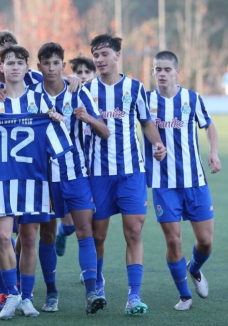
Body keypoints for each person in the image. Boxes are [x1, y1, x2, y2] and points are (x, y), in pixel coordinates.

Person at [0, 44, 65, 320]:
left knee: (29, 238)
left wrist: (58, 119)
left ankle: (27, 297)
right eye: (8, 62)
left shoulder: (41, 100)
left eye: (19, 63)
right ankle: (11, 292)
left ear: (26, 68)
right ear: (0, 66)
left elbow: (60, 136)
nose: (14, 67)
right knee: (1, 236)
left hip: (32, 180)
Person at [83, 33, 166, 315]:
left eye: (104, 53)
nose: (99, 59)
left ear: (118, 55)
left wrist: (157, 143)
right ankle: (98, 284)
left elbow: (146, 121)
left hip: (132, 173)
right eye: (95, 55)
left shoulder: (135, 88)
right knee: (98, 236)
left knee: (134, 231)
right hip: (99, 174)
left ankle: (133, 296)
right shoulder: (86, 90)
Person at [30, 42, 110, 314]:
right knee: (48, 233)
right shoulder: (31, 96)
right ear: (39, 66)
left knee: (84, 230)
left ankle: (92, 293)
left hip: (76, 174)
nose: (51, 68)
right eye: (46, 63)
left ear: (63, 66)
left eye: (56, 63)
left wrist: (87, 118)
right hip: (44, 177)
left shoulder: (79, 93)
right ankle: (51, 292)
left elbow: (105, 131)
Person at [146, 51, 221, 311]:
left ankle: (195, 268)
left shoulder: (192, 98)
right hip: (163, 183)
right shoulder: (145, 101)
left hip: (195, 181)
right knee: (174, 241)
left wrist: (213, 152)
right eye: (158, 69)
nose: (162, 73)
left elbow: (209, 125)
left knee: (206, 242)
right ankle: (185, 295)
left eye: (167, 69)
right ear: (153, 72)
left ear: (177, 72)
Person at [55, 55, 98, 260]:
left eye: (87, 72)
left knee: (94, 226)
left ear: (94, 74)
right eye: (78, 72)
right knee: (71, 225)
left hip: (97, 169)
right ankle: (62, 233)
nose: (83, 76)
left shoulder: (99, 95)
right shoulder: (70, 94)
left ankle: (94, 274)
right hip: (73, 167)